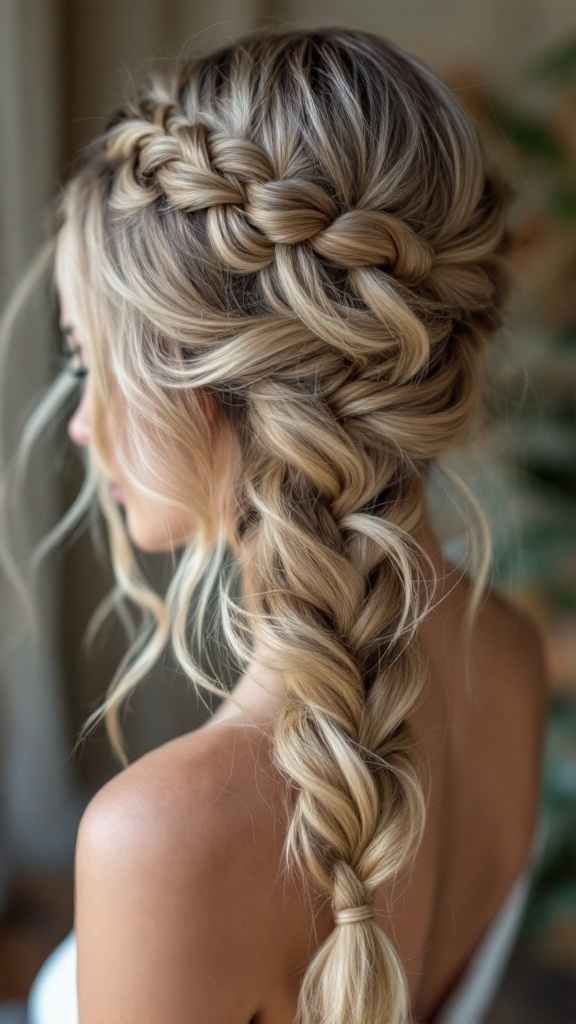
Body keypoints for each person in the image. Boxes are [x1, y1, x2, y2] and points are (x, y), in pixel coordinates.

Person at [9, 26, 548, 1024]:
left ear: (212, 379)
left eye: (91, 357)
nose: (83, 423)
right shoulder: (508, 654)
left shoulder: (162, 838)